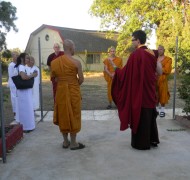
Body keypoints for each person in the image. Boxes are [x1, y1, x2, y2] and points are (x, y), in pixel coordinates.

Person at [111, 30, 162, 150]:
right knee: (149, 114)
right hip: (149, 90)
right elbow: (160, 72)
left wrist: (117, 70)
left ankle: (141, 143)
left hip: (139, 92)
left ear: (138, 40)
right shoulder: (152, 53)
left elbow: (125, 73)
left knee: (140, 114)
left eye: (133, 39)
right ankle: (152, 140)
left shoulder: (135, 55)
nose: (132, 42)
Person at [51, 39, 85, 150]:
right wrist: (73, 84)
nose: (75, 49)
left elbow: (54, 78)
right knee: (74, 114)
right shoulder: (76, 62)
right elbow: (81, 79)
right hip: (73, 91)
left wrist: (63, 83)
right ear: (71, 48)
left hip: (61, 91)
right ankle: (74, 143)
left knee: (63, 114)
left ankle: (65, 142)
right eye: (74, 47)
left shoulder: (54, 62)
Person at [14, 53, 38, 133]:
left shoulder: (24, 67)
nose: (28, 60)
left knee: (28, 108)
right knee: (25, 109)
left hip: (26, 91)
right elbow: (23, 77)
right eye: (26, 58)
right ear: (22, 59)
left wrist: (32, 74)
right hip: (23, 92)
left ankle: (28, 125)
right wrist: (33, 75)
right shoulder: (21, 67)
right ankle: (26, 126)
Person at [156, 45, 172, 117]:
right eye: (158, 49)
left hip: (163, 79)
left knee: (163, 94)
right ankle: (155, 109)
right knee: (154, 94)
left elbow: (167, 70)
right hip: (154, 79)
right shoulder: (154, 58)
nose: (160, 50)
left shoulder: (168, 59)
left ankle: (162, 110)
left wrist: (159, 69)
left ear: (164, 50)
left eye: (161, 49)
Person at [7, 51, 19, 122]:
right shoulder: (11, 65)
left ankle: (19, 113)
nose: (16, 57)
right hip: (13, 84)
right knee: (14, 99)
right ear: (12, 57)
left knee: (18, 98)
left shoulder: (18, 64)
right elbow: (11, 75)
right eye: (15, 55)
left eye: (17, 55)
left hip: (18, 84)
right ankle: (15, 114)